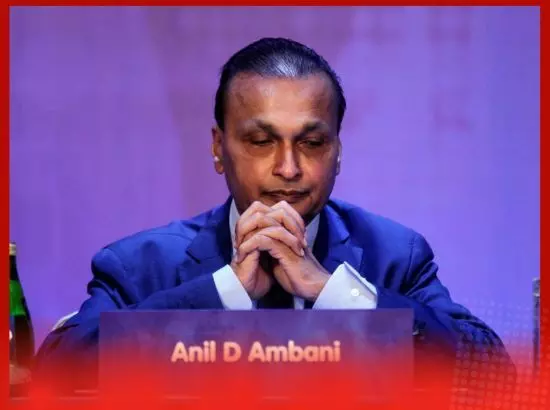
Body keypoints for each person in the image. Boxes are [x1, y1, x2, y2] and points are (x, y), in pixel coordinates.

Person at [34, 37, 513, 395]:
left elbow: (493, 374)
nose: (288, 168)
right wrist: (224, 292)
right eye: (261, 142)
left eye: (312, 142)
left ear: (338, 151)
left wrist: (333, 292)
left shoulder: (393, 256)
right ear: (218, 147)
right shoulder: (142, 265)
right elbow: (56, 373)